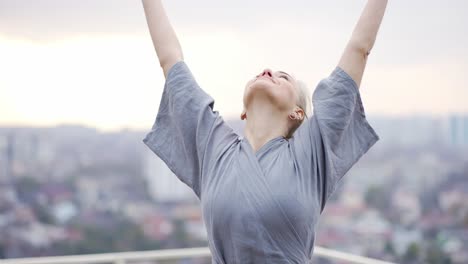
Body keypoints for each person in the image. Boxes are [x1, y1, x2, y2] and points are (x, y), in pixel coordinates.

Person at [141, 0, 387, 263]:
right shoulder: (214, 149)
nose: (268, 71)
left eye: (283, 77)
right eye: (263, 73)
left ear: (297, 113)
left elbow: (359, 48)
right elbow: (170, 59)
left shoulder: (311, 154)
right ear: (244, 110)